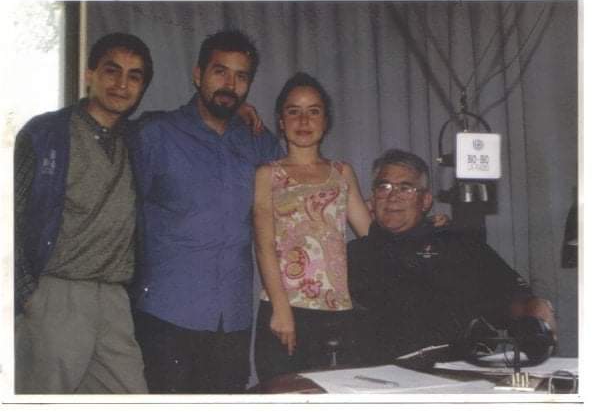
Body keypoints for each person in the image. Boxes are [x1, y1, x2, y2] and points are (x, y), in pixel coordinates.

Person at [130, 30, 282, 394]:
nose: (230, 85)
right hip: (166, 315)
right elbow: (122, 214)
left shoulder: (260, 143)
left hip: (232, 320)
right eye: (220, 71)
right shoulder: (155, 134)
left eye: (241, 76)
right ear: (198, 75)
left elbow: (294, 206)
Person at [14, 32, 154, 393]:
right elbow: (8, 215)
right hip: (57, 294)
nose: (121, 84)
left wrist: (239, 112)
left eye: (134, 76)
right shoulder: (45, 134)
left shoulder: (137, 139)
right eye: (112, 70)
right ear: (89, 74)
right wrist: (27, 292)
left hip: (114, 300)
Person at [347, 149, 557, 366]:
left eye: (406, 188)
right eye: (384, 187)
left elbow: (512, 300)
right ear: (372, 199)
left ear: (425, 201)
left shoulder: (459, 245)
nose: (393, 197)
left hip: (455, 370)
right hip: (374, 373)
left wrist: (534, 308)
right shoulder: (353, 255)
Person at [253, 72, 373, 382]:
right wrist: (281, 309)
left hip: (337, 312)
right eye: (294, 111)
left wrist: (423, 226)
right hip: (285, 310)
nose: (304, 120)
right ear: (281, 121)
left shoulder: (341, 173)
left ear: (326, 120)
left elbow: (371, 234)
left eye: (314, 111)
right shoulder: (268, 175)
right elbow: (264, 246)